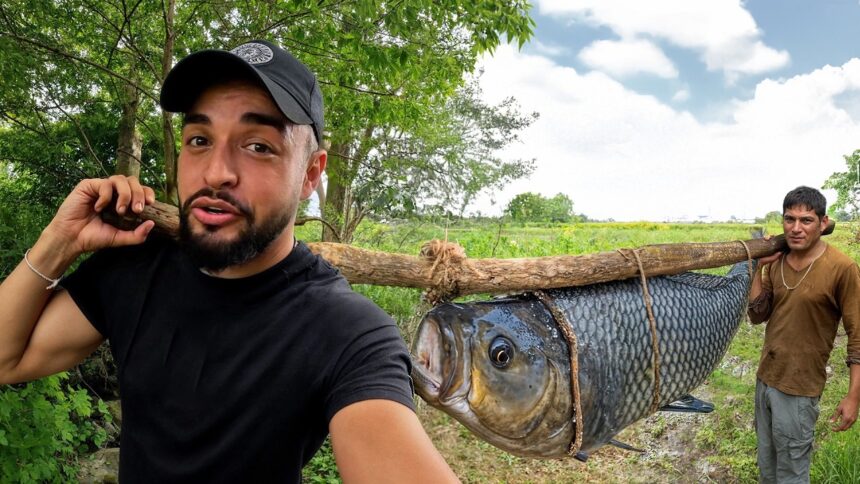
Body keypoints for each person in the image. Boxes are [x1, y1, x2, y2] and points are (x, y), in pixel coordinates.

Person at [0, 40, 458, 483]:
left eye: (258, 146)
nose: (217, 172)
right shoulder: (133, 267)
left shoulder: (345, 331)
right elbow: (7, 360)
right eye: (199, 139)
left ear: (310, 174)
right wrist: (58, 243)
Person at [748, 186, 860, 483]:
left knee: (792, 472)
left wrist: (853, 396)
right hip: (766, 379)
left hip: (800, 389)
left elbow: (857, 334)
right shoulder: (777, 261)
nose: (796, 228)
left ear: (823, 224)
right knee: (767, 466)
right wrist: (758, 269)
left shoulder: (842, 268)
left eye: (806, 220)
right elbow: (758, 315)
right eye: (789, 219)